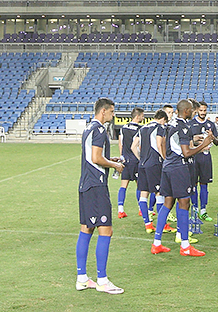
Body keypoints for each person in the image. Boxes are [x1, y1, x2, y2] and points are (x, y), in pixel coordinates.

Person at [151, 99, 215, 256]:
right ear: (186, 110)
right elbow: (186, 153)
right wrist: (203, 144)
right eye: (193, 110)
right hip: (179, 168)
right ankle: (185, 245)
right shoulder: (183, 126)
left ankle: (157, 243)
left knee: (168, 203)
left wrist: (195, 143)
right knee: (184, 202)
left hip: (168, 167)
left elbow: (171, 144)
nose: (194, 112)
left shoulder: (171, 124)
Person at [76, 98, 125, 294]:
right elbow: (96, 158)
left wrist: (108, 160)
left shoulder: (89, 128)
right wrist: (115, 165)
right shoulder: (99, 130)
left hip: (86, 184)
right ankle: (102, 281)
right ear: (103, 111)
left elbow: (93, 157)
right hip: (96, 186)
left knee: (86, 228)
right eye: (112, 112)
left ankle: (82, 278)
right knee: (106, 231)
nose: (113, 115)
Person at [131, 109, 174, 234]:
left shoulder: (142, 128)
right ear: (162, 119)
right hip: (155, 164)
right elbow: (160, 144)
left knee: (144, 194)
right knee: (159, 193)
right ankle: (164, 225)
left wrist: (141, 159)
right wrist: (165, 159)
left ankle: (148, 224)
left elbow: (133, 146)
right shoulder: (160, 127)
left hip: (142, 165)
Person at [189, 101, 218, 221]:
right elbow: (187, 140)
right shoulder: (191, 124)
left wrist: (212, 137)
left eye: (204, 110)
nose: (203, 113)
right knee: (193, 184)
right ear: (197, 110)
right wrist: (195, 141)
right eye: (201, 110)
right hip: (195, 156)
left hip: (206, 157)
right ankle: (195, 209)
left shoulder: (211, 124)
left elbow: (217, 143)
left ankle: (203, 210)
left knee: (204, 184)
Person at [117, 107, 143, 218]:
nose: (143, 117)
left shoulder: (123, 128)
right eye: (142, 115)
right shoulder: (141, 129)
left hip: (126, 160)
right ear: (137, 116)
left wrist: (122, 157)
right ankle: (141, 209)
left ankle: (120, 210)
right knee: (140, 186)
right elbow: (139, 145)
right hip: (136, 160)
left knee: (123, 186)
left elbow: (120, 144)